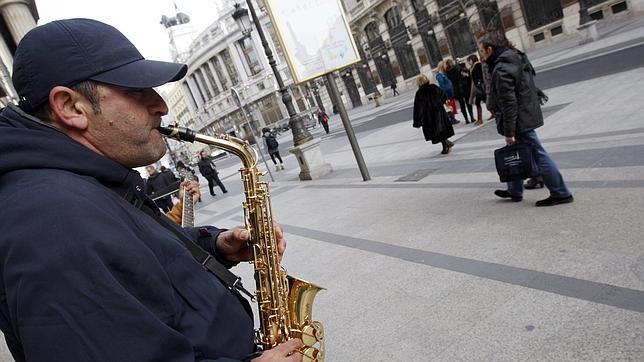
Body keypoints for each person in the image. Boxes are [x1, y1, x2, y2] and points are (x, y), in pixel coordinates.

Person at [0, 18, 301, 361]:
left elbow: (134, 256)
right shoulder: (53, 221)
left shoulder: (86, 183)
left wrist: (214, 246)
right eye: (136, 92)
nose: (161, 105)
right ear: (71, 107)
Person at [478, 29, 574, 207]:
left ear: (490, 49)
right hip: (525, 112)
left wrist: (509, 131)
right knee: (515, 151)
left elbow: (509, 103)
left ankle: (560, 192)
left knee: (537, 153)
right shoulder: (514, 57)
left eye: (482, 50)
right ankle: (514, 190)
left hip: (519, 118)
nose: (481, 55)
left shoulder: (500, 68)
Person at [412, 74, 455, 154]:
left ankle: (446, 145)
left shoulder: (419, 93)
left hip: (428, 116)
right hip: (439, 112)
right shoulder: (433, 87)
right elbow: (443, 96)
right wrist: (440, 103)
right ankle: (446, 144)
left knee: (435, 132)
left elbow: (417, 108)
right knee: (440, 130)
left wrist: (417, 121)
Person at [447, 58, 474, 124]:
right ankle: (472, 117)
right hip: (463, 87)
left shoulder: (448, 72)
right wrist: (460, 64)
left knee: (462, 105)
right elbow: (465, 73)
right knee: (468, 103)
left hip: (456, 89)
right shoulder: (458, 67)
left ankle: (466, 119)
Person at [436, 60, 459, 125]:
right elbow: (442, 85)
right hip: (446, 93)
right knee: (449, 106)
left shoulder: (445, 73)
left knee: (451, 105)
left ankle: (453, 118)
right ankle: (452, 119)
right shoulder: (439, 75)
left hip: (450, 92)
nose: (446, 66)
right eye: (445, 65)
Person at [467, 54, 486, 125]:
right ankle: (493, 113)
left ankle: (480, 119)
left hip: (479, 87)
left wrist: (479, 82)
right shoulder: (473, 66)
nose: (469, 62)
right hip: (477, 87)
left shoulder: (477, 65)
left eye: (469, 61)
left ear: (472, 60)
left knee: (478, 102)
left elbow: (480, 75)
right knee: (485, 100)